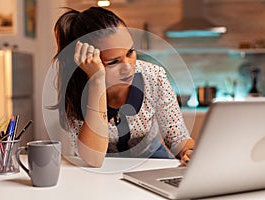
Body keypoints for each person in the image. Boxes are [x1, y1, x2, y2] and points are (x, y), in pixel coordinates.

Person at [53, 6, 195, 167]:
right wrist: (96, 80)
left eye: (130, 52)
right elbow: (93, 159)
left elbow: (178, 138)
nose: (128, 67)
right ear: (88, 61)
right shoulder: (76, 88)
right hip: (104, 166)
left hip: (151, 159)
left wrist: (188, 152)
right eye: (113, 62)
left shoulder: (154, 76)